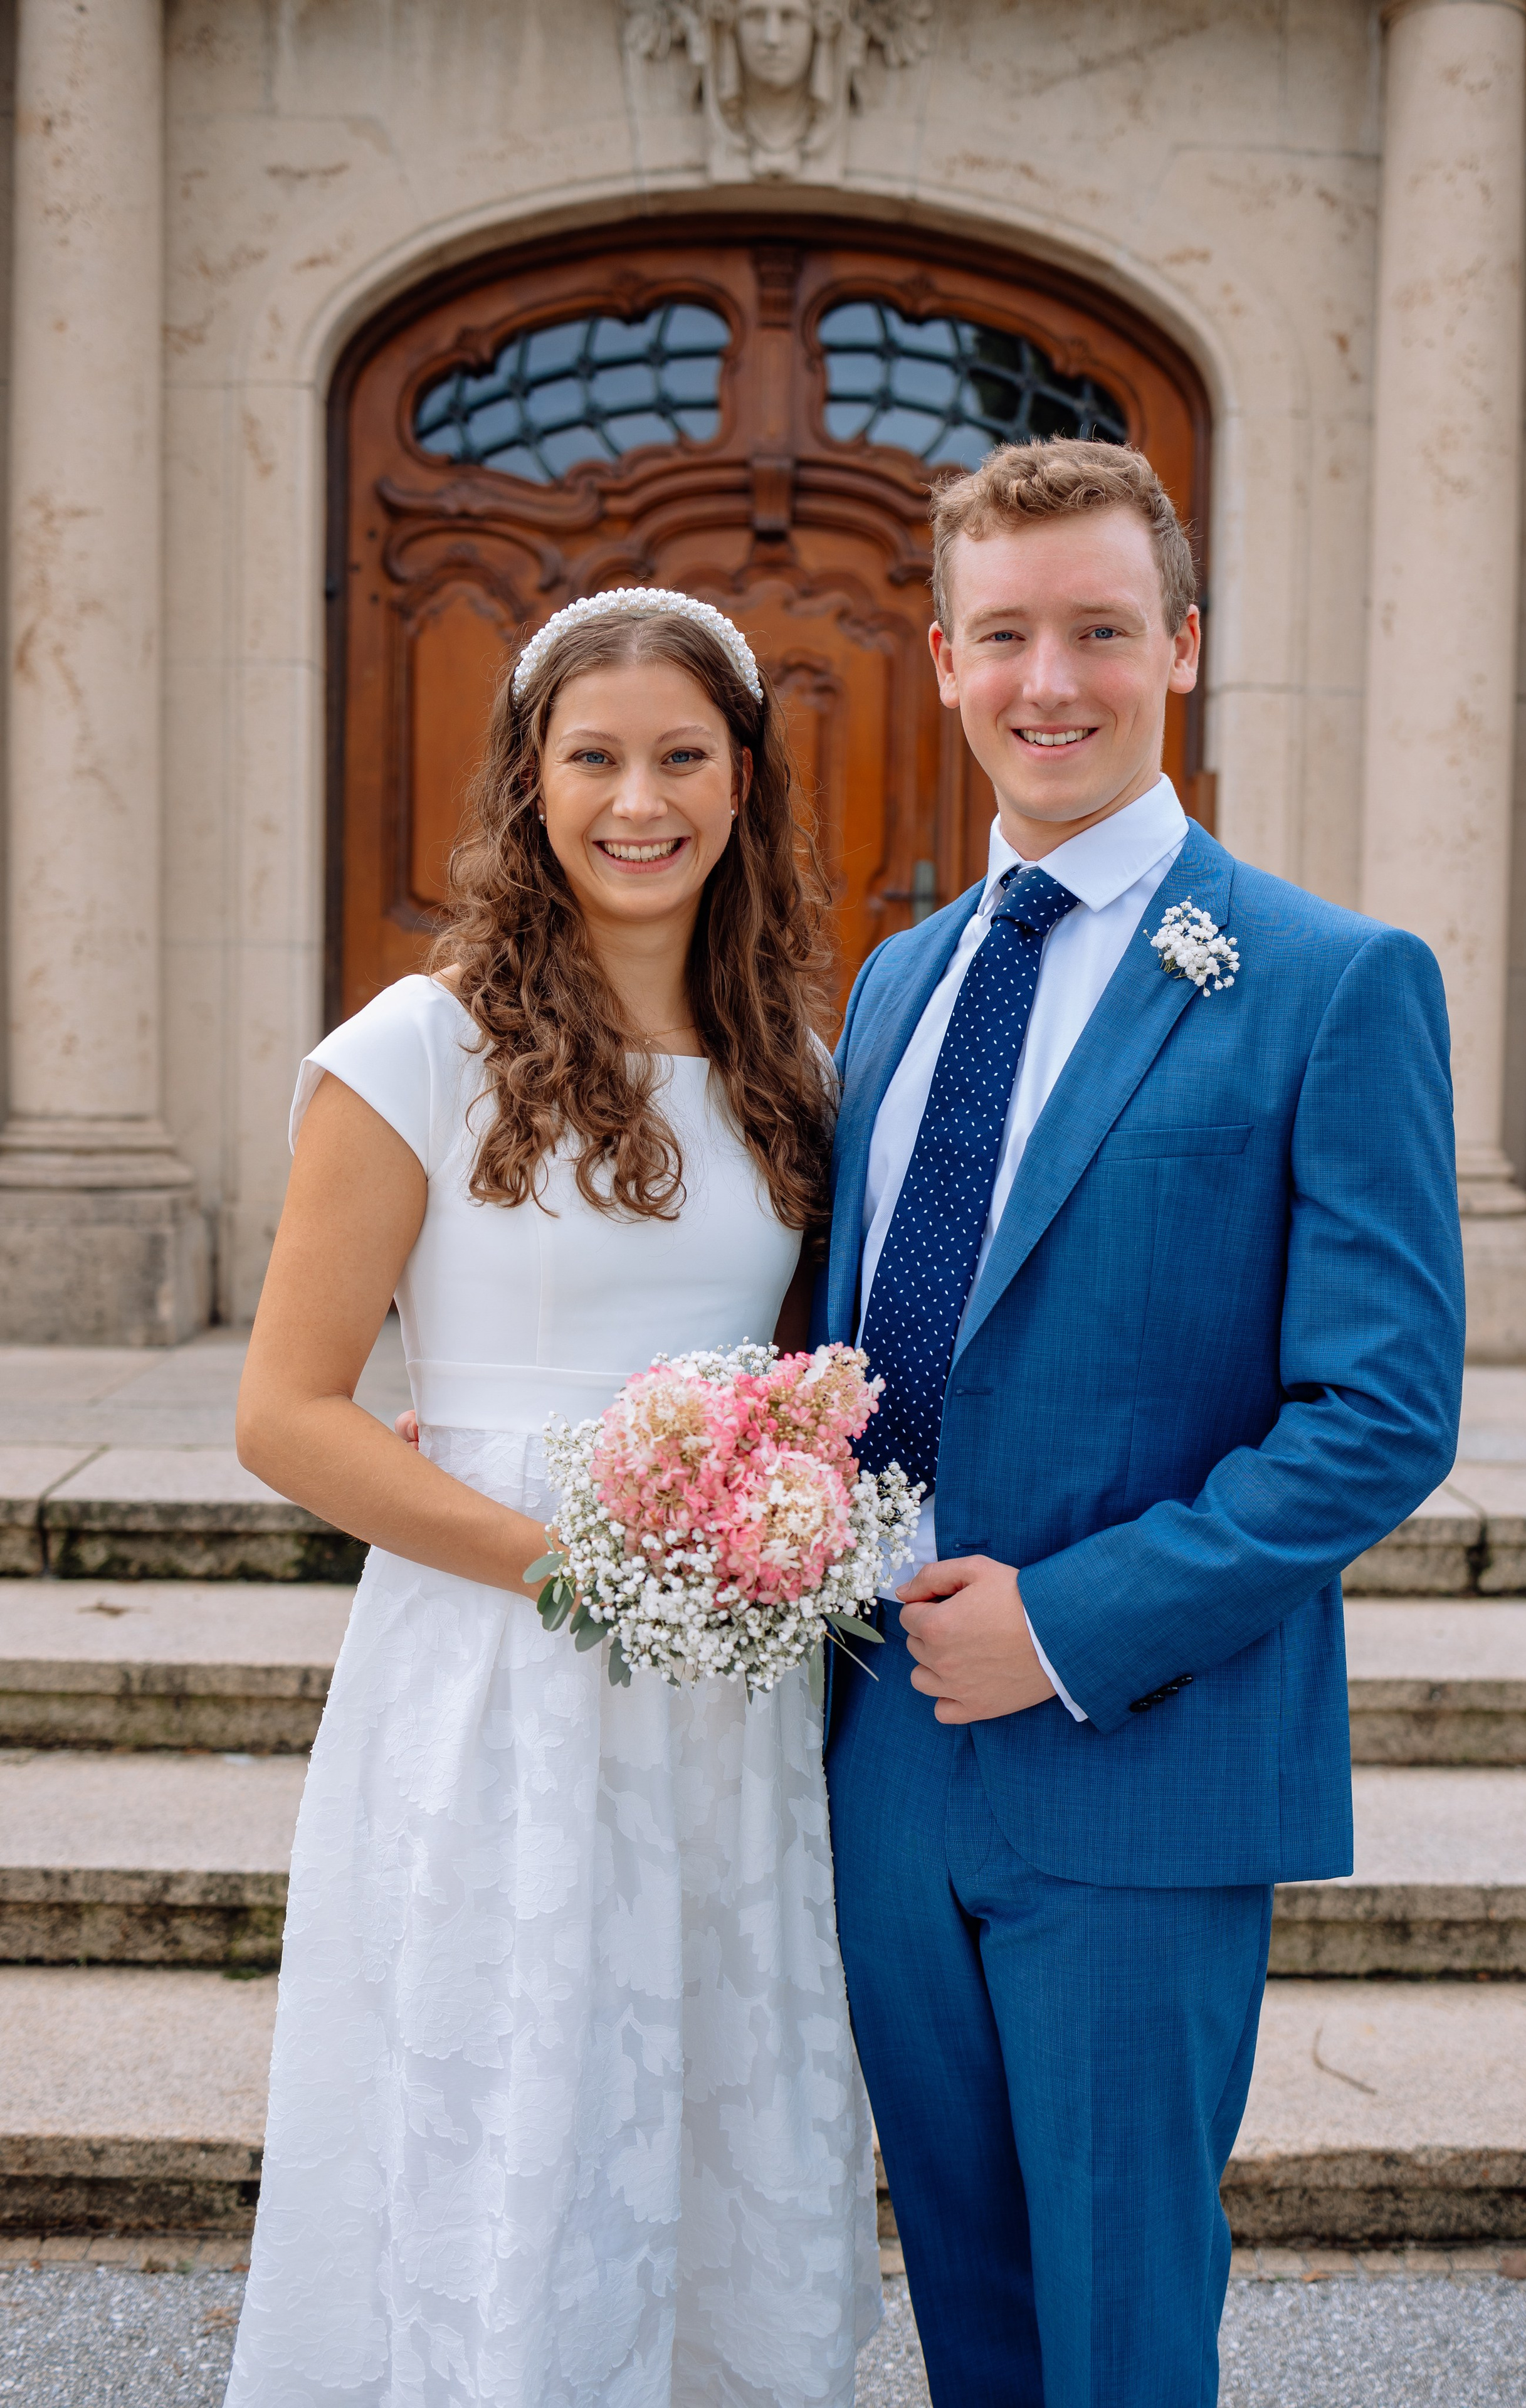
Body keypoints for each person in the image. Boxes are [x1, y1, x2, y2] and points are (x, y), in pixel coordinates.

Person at [818, 439, 1464, 2407]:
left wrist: (1071, 1627)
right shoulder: (897, 983)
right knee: (973, 2314)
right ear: (939, 657)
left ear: (1181, 646)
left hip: (1140, 1752)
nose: (1052, 683)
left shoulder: (1332, 981)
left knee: (1118, 2325)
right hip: (880, 1753)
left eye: (1101, 631)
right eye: (1005, 635)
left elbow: (1380, 1412)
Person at [224, 589, 880, 2408]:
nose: (637, 801)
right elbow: (286, 1415)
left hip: (725, 1703)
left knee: (704, 2101)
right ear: (531, 782)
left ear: (742, 783)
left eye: (681, 758)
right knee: (506, 2092)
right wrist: (581, 1569)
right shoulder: (415, 1052)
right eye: (594, 759)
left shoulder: (796, 1077)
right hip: (499, 1664)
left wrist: (773, 1541)